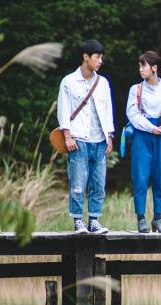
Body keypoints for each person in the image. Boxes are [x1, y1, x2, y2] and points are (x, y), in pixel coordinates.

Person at [57, 39, 114, 234]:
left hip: (99, 140)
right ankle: (78, 221)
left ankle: (94, 220)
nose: (100, 61)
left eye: (101, 57)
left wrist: (110, 136)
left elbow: (108, 111)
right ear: (86, 57)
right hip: (78, 138)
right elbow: (63, 110)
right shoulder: (69, 81)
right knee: (78, 182)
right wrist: (67, 136)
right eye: (97, 57)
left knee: (99, 183)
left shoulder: (103, 83)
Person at [126, 51, 161, 233]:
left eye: (144, 65)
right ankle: (140, 217)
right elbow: (132, 114)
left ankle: (158, 217)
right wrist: (150, 127)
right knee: (140, 176)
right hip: (143, 134)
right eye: (140, 65)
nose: (140, 69)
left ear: (154, 68)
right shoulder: (136, 89)